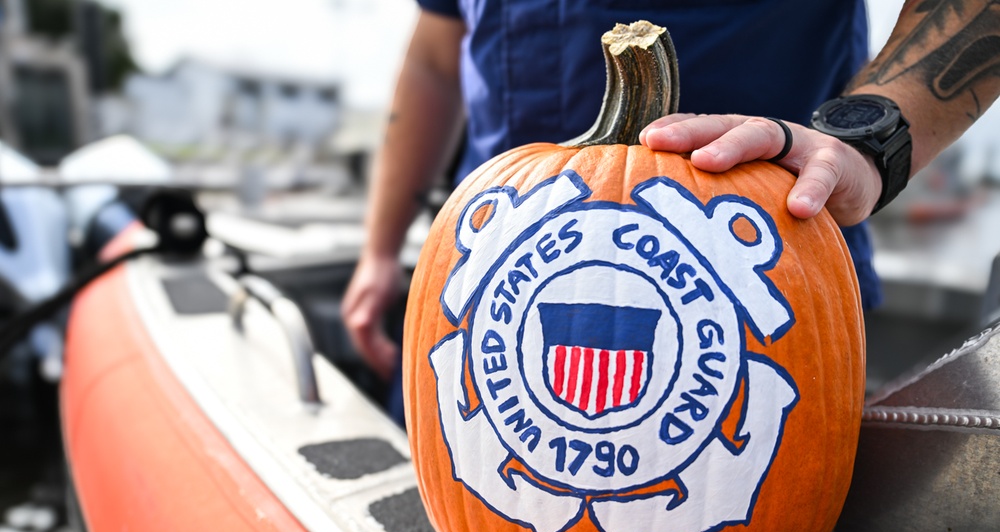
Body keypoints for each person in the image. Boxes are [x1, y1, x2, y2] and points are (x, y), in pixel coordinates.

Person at [343, 0, 1000, 400]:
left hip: (762, 303)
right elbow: (436, 53)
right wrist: (381, 250)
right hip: (479, 306)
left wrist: (868, 136)